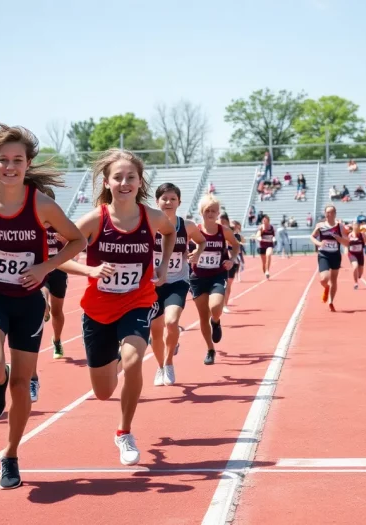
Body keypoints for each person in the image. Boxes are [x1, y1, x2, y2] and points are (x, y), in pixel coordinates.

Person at [0, 123, 86, 489]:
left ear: (28, 164)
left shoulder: (41, 204)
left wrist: (44, 267)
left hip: (28, 299)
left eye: (18, 160)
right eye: (3, 160)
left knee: (24, 385)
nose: (10, 166)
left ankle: (10, 456)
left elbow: (77, 240)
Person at [59, 148, 175, 467]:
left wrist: (163, 265)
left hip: (137, 301)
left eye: (131, 177)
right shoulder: (95, 219)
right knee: (103, 391)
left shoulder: (151, 217)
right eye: (118, 177)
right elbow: (58, 257)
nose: (125, 182)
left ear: (140, 182)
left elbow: (169, 232)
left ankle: (124, 431)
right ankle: (115, 362)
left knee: (135, 358)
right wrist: (89, 271)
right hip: (97, 310)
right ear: (107, 182)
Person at [150, 182, 205, 387]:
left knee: (171, 322)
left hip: (177, 280)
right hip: (152, 284)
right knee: (155, 330)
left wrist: (197, 253)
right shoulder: (148, 225)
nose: (168, 202)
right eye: (164, 198)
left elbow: (202, 241)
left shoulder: (186, 226)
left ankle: (169, 361)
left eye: (173, 199)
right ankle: (159, 367)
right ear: (157, 202)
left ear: (179, 202)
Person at [30, 188, 71, 402]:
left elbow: (74, 245)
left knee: (58, 311)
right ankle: (42, 303)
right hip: (39, 270)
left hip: (59, 269)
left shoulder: (59, 221)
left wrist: (62, 239)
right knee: (41, 293)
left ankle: (56, 340)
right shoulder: (30, 221)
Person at [191, 194, 240, 365]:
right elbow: (183, 251)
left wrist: (232, 259)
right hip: (197, 278)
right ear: (201, 212)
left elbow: (236, 245)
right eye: (207, 211)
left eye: (213, 211)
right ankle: (210, 349)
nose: (210, 214)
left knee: (216, 307)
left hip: (217, 275)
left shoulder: (223, 231)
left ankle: (216, 321)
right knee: (203, 316)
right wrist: (190, 256)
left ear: (218, 213)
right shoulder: (194, 231)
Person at [310, 205, 346, 311]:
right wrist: (318, 243)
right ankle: (326, 287)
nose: (328, 214)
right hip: (324, 254)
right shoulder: (320, 225)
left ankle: (331, 301)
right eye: (327, 212)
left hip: (335, 255)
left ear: (335, 213)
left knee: (334, 280)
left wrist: (339, 238)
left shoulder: (339, 226)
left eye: (330, 212)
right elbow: (312, 236)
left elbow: (346, 242)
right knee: (324, 279)